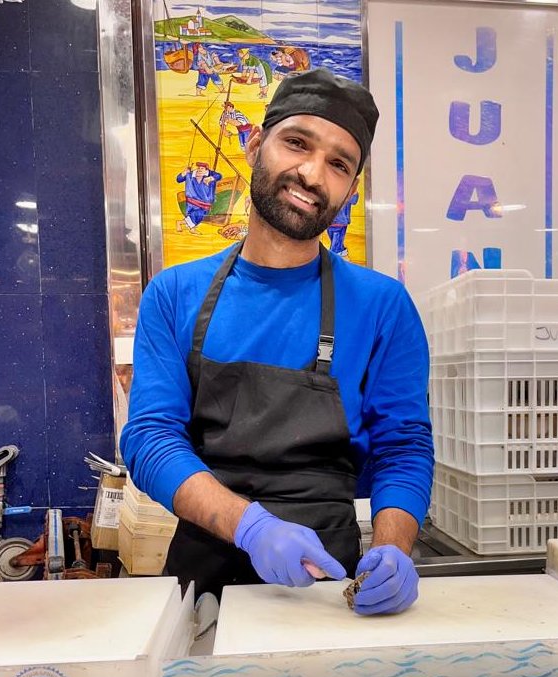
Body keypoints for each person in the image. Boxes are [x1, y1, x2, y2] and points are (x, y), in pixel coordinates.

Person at [121, 68, 434, 615]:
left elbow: (403, 448)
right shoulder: (174, 293)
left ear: (351, 189)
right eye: (297, 143)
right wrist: (253, 527)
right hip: (202, 578)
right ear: (254, 145)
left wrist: (393, 550)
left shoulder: (384, 306)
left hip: (331, 584)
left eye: (339, 164)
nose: (312, 174)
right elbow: (150, 440)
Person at [175, 162, 223, 234]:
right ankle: (190, 228)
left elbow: (219, 176)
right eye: (199, 168)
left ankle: (181, 223)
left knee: (198, 215)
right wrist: (184, 173)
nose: (200, 170)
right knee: (196, 215)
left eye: (202, 168)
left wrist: (211, 178)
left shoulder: (210, 174)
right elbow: (179, 179)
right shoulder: (190, 175)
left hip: (205, 202)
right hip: (192, 200)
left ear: (206, 169)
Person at [327, 191, 359, 257]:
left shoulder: (348, 189)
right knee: (337, 244)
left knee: (335, 248)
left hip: (340, 222)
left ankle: (334, 261)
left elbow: (354, 201)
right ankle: (342, 255)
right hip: (329, 222)